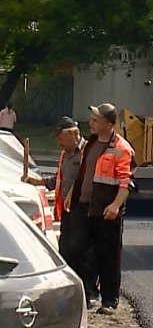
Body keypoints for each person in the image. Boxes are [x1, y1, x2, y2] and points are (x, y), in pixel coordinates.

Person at [71, 103, 135, 315]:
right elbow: (83, 172)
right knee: (77, 251)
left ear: (109, 124)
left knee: (107, 256)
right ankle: (87, 293)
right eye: (92, 119)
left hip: (106, 211)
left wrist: (115, 206)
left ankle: (109, 300)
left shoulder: (122, 148)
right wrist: (73, 194)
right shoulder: (89, 143)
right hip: (84, 207)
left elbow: (126, 182)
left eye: (96, 120)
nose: (91, 123)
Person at [52, 117, 98, 309]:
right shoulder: (66, 154)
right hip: (68, 211)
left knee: (82, 252)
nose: (58, 142)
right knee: (66, 250)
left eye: (60, 137)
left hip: (83, 209)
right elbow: (62, 179)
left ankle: (88, 293)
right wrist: (40, 182)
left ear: (73, 134)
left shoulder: (87, 152)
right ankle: (72, 292)